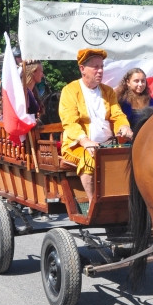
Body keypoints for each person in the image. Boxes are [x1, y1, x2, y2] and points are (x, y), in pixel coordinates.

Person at [59, 48, 133, 205]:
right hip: (76, 146)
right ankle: (95, 205)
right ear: (82, 69)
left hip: (107, 143)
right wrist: (85, 141)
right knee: (89, 158)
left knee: (130, 156)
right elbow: (70, 122)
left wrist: (124, 127)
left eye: (101, 66)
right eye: (95, 67)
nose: (100, 71)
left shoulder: (108, 91)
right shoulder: (70, 90)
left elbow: (117, 115)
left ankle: (123, 202)